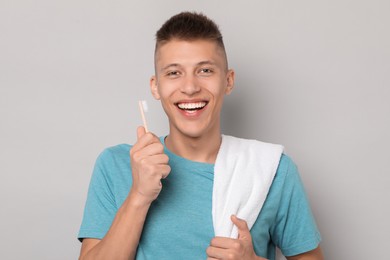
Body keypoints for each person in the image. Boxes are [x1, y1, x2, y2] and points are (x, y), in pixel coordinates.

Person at [78, 12, 323, 260]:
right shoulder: (115, 164)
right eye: (174, 73)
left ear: (228, 81)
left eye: (205, 70)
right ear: (156, 86)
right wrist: (139, 195)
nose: (190, 87)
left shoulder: (271, 169)